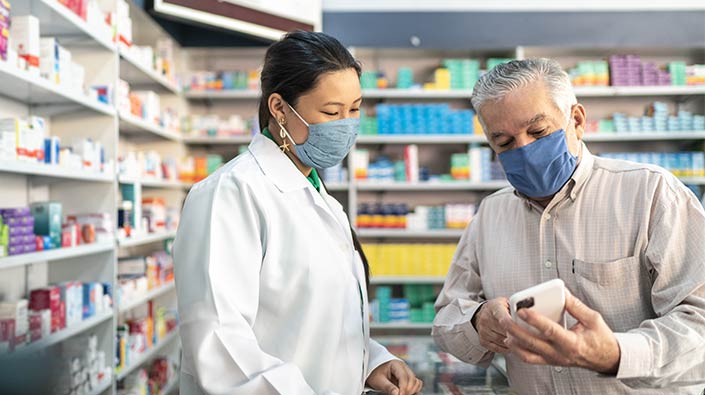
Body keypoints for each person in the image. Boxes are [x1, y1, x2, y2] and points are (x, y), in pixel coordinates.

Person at [432, 58, 705, 394]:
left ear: (576, 120)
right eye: (504, 143)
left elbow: (699, 322)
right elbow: (445, 319)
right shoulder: (490, 215)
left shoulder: (651, 194)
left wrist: (616, 354)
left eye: (538, 131)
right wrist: (477, 322)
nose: (525, 150)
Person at [173, 31, 423, 395]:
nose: (346, 125)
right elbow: (219, 346)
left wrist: (372, 361)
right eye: (331, 112)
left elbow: (319, 319)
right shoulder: (230, 193)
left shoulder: (320, 196)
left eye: (354, 109)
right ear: (279, 108)